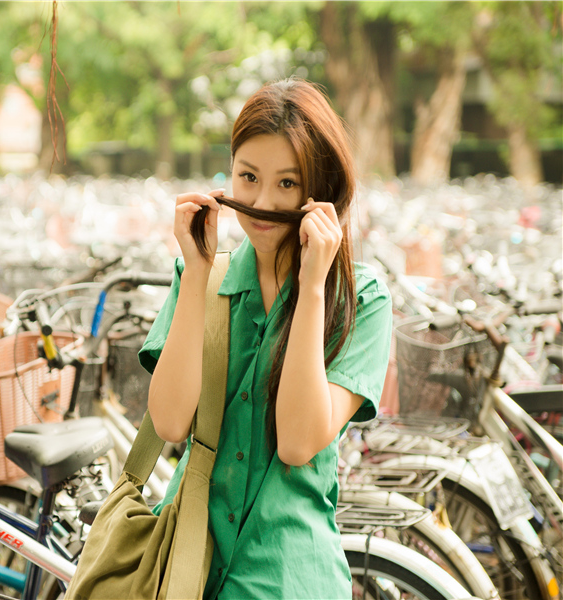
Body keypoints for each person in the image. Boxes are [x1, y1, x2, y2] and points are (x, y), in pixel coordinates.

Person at [138, 77, 392, 599]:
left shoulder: (360, 298)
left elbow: (299, 442)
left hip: (288, 576)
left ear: (318, 189)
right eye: (247, 176)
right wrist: (198, 271)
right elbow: (168, 421)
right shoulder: (204, 276)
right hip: (186, 569)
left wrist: (313, 286)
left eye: (287, 183)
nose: (260, 201)